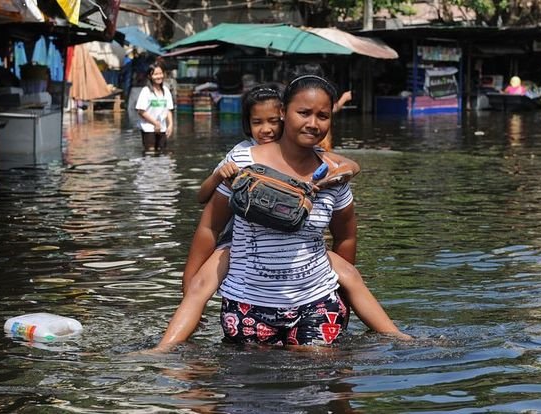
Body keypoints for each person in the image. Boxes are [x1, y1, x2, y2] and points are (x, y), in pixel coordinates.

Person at [151, 75, 409, 351]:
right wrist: (187, 287)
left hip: (316, 300)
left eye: (323, 116)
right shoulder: (243, 163)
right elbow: (209, 228)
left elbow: (346, 237)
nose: (312, 123)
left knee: (320, 376)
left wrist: (341, 296)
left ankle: (401, 340)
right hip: (248, 302)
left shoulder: (334, 176)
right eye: (303, 113)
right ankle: (162, 350)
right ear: (284, 112)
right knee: (251, 383)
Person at [135, 62, 174, 152]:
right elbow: (141, 111)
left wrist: (170, 125)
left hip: (162, 128)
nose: (159, 76)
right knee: (150, 152)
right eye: (155, 74)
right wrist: (155, 123)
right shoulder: (146, 91)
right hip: (148, 128)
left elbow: (168, 109)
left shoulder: (166, 90)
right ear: (150, 76)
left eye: (160, 73)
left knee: (162, 152)